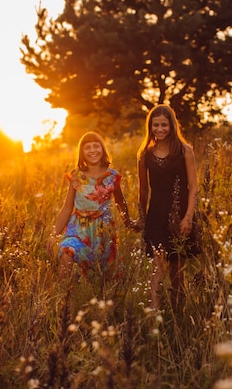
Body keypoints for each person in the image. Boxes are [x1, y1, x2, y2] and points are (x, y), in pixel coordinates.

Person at [137, 104, 200, 311]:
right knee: (158, 262)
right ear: (150, 127)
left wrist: (188, 217)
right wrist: (142, 218)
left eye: (164, 125)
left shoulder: (185, 151)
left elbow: (193, 187)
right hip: (156, 212)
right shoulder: (145, 155)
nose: (160, 129)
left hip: (180, 210)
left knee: (177, 267)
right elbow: (143, 191)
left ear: (172, 126)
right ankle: (153, 312)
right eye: (156, 125)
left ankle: (178, 311)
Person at [52, 131, 134, 281]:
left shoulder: (112, 176)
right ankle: (61, 299)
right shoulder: (77, 175)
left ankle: (97, 300)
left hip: (103, 230)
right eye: (87, 147)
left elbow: (120, 202)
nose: (92, 150)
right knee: (67, 251)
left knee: (103, 275)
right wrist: (54, 234)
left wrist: (128, 222)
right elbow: (67, 207)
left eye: (96, 146)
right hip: (78, 228)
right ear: (82, 152)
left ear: (102, 149)